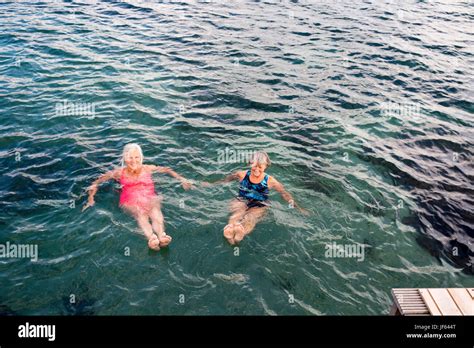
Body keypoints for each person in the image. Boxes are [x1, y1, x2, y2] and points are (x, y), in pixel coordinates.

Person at [82, 143, 193, 250]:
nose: (134, 161)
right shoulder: (119, 172)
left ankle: (161, 235)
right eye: (130, 157)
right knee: (141, 213)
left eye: (137, 157)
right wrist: (90, 198)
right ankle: (151, 238)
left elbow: (166, 170)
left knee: (155, 210)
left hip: (149, 197)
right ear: (125, 158)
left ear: (141, 157)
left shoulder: (147, 168)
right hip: (130, 201)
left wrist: (182, 179)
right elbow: (96, 182)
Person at [206, 151, 308, 245]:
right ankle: (230, 233)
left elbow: (285, 194)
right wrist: (205, 185)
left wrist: (298, 207)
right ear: (250, 163)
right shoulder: (241, 174)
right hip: (242, 199)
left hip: (260, 204)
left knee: (251, 218)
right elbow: (223, 181)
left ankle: (240, 233)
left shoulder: (270, 180)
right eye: (254, 166)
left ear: (266, 166)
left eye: (260, 167)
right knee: (237, 214)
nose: (257, 169)